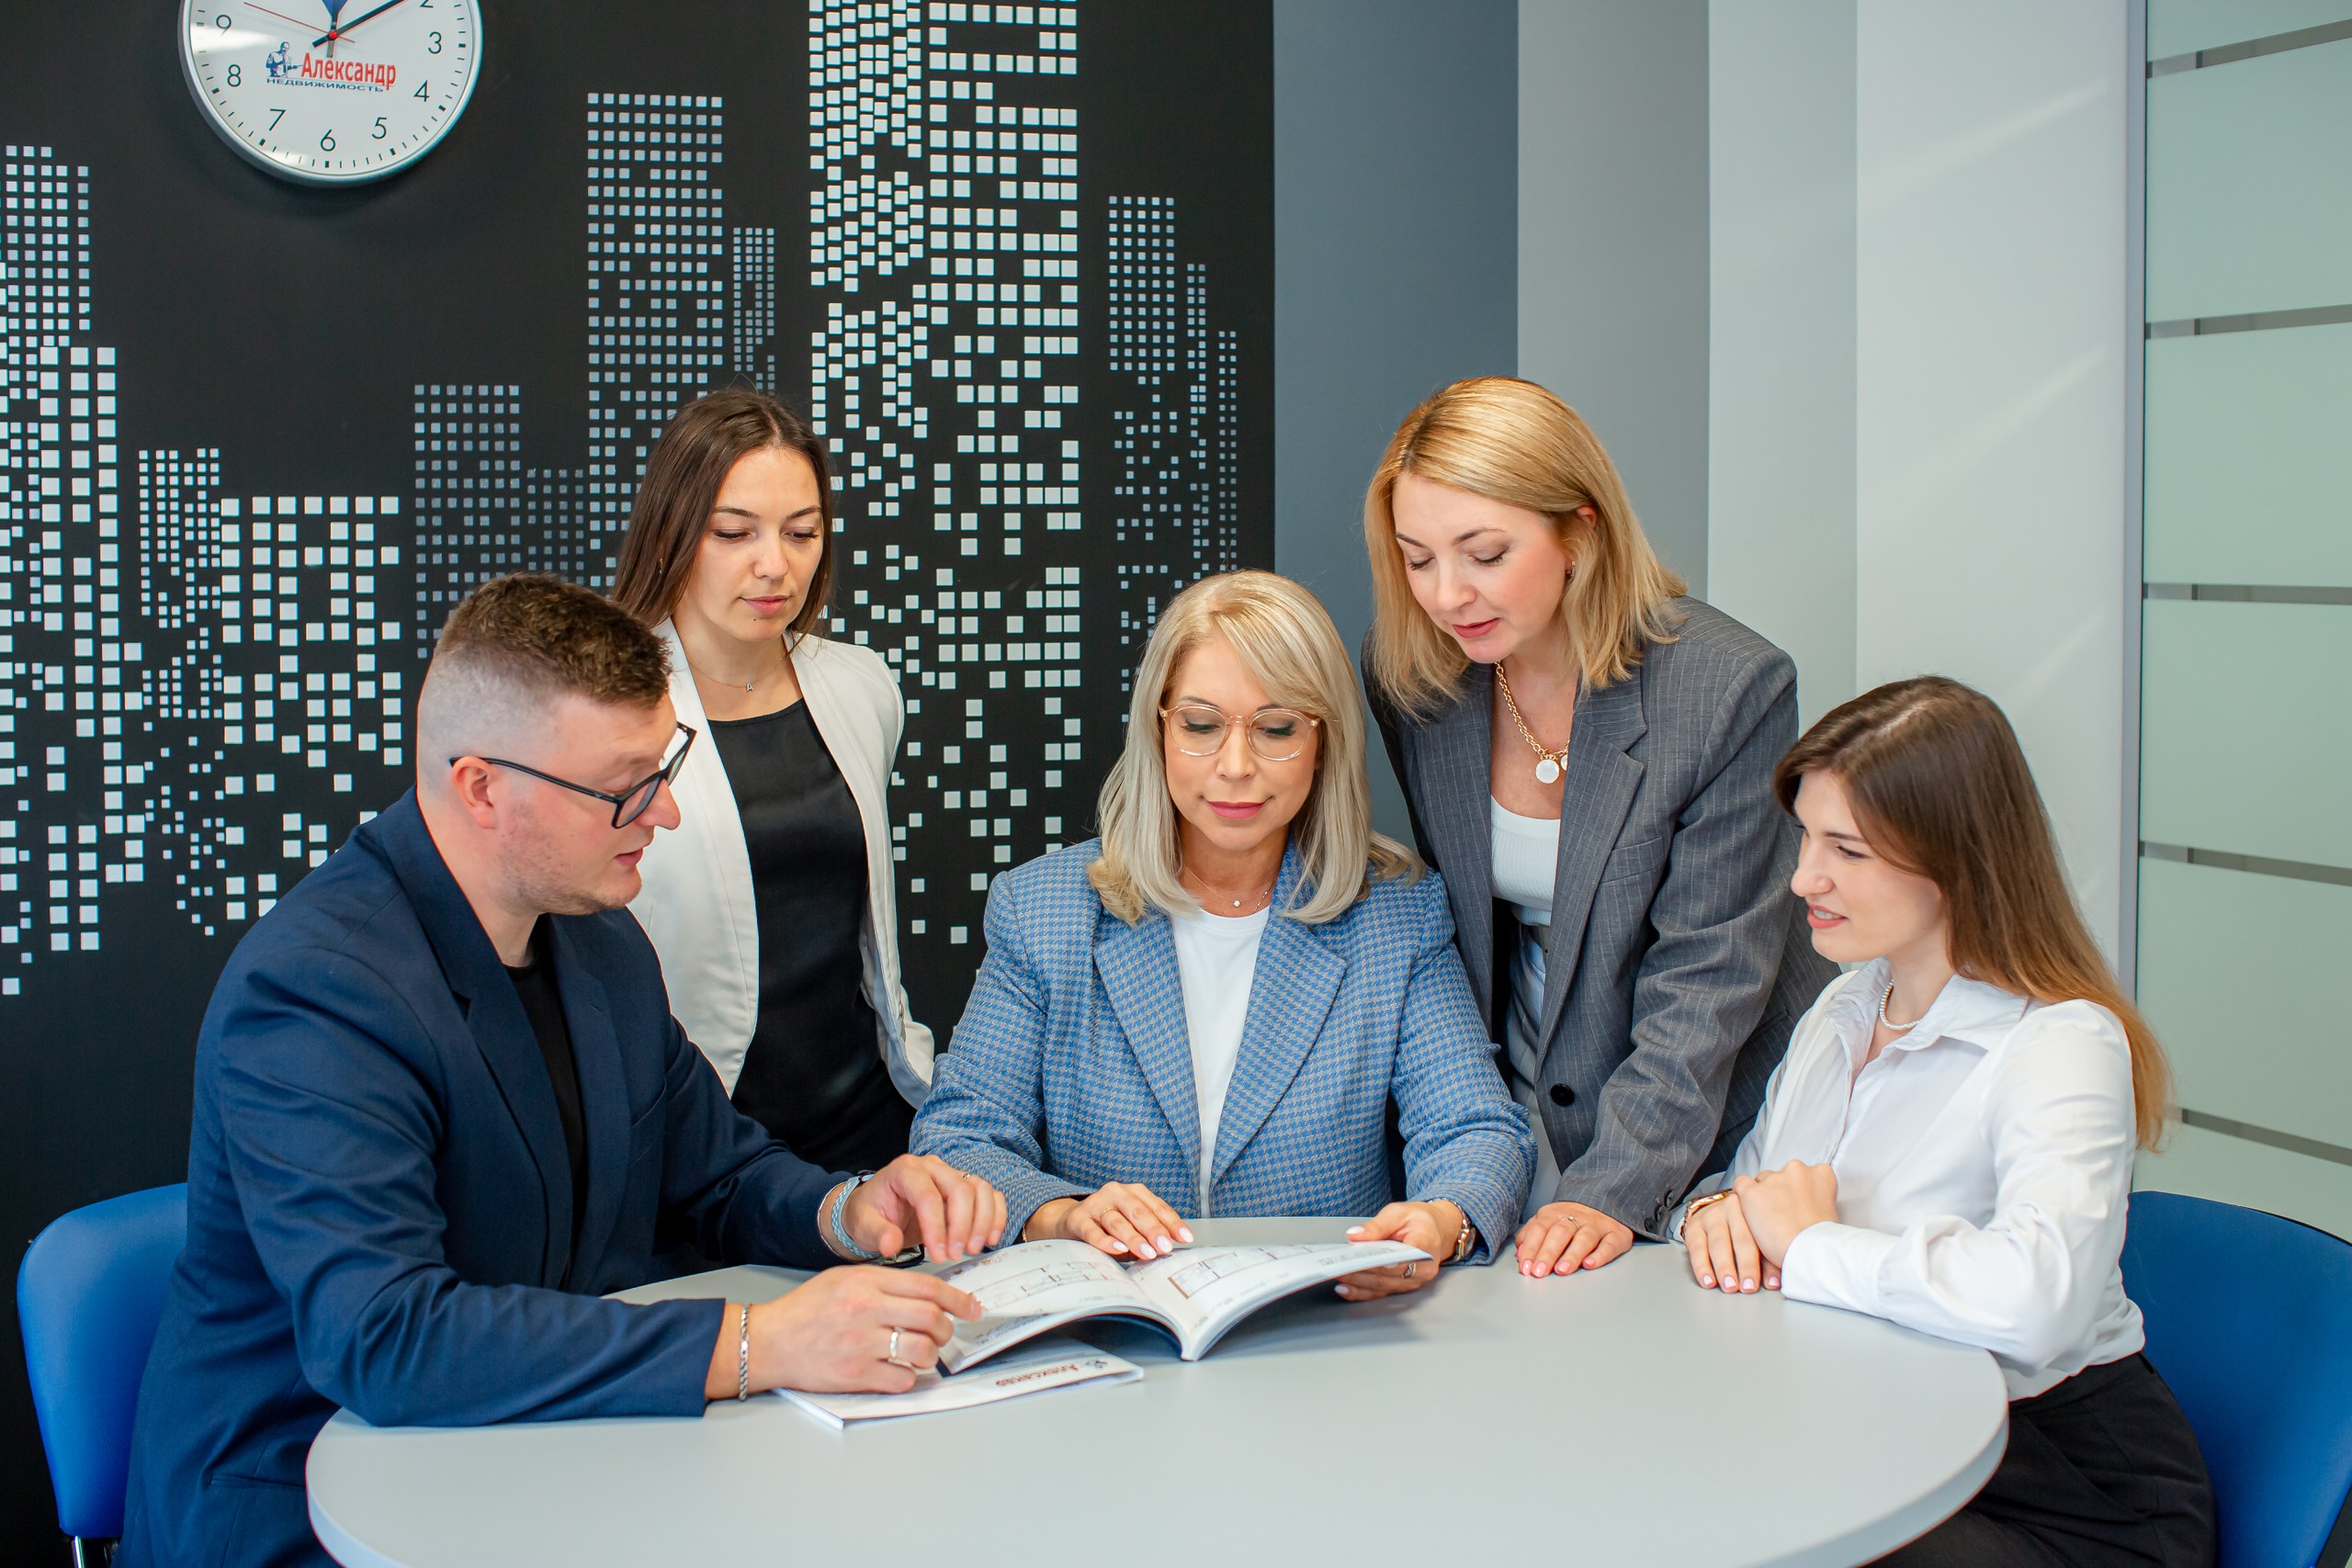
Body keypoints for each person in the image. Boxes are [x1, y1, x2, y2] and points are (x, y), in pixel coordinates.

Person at [119, 575, 1005, 1568]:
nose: (663, 812)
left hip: (553, 1459)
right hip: (311, 1502)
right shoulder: (319, 990)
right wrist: (758, 1343)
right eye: (624, 784)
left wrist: (848, 1211)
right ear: (481, 787)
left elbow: (714, 1173)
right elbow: (386, 1339)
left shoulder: (600, 939)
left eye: (665, 765)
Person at [1677, 678, 2215, 1566]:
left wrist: (1811, 1245)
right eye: (1807, 837)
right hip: (1866, 1429)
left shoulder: (2060, 1042)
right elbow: (1756, 1199)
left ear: (1957, 861)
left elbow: (2037, 1302)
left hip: (2061, 1494)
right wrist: (1714, 1217)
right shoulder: (1844, 1010)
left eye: (1846, 849)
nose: (1804, 876)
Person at [912, 570, 1534, 1299]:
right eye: (1202, 726)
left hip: (1318, 1333)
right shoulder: (1042, 908)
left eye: (1274, 729)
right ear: (1160, 729)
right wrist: (1062, 1214)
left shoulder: (1397, 914)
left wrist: (1440, 1219)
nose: (1235, 767)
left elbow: (1476, 1131)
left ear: (1322, 741)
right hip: (1110, 1325)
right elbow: (960, 1139)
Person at [1361, 376, 1834, 1278]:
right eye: (1416, 558)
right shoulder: (1412, 677)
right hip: (1535, 1075)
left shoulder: (1728, 687)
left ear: (1580, 527)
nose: (1447, 594)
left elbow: (1709, 976)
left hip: (1717, 1099)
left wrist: (1611, 1186)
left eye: (1484, 552)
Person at [614, 389, 930, 1171]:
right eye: (734, 532)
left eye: (802, 533)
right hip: (699, 1140)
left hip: (871, 1123)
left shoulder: (860, 686)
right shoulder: (609, 713)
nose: (774, 565)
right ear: (671, 535)